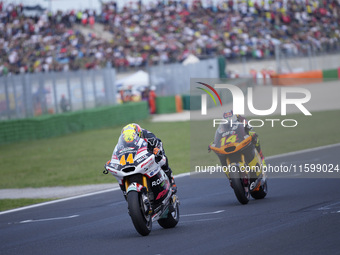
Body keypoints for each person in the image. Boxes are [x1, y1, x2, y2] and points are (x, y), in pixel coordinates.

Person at [106, 123, 177, 194]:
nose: (128, 141)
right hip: (134, 158)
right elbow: (117, 153)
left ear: (138, 134)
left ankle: (171, 180)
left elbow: (158, 146)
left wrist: (157, 151)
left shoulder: (149, 137)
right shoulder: (121, 144)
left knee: (163, 160)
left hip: (151, 150)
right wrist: (112, 161)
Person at [210, 110, 266, 190]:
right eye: (226, 121)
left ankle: (261, 160)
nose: (229, 123)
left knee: (256, 140)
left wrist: (251, 132)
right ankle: (231, 178)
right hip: (231, 145)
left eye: (230, 120)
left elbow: (250, 128)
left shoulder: (241, 119)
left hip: (242, 140)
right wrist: (214, 143)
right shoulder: (221, 127)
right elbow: (219, 137)